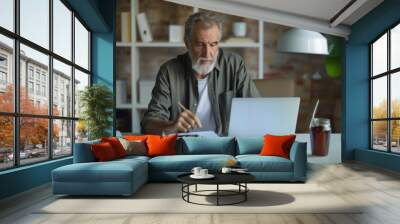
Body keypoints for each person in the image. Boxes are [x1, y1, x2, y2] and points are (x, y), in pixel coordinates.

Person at [141, 11, 259, 136]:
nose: (207, 54)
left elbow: (257, 110)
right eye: (200, 45)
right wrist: (171, 126)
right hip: (182, 149)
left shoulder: (234, 65)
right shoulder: (169, 72)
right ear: (187, 43)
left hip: (225, 148)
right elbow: (149, 123)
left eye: (213, 44)